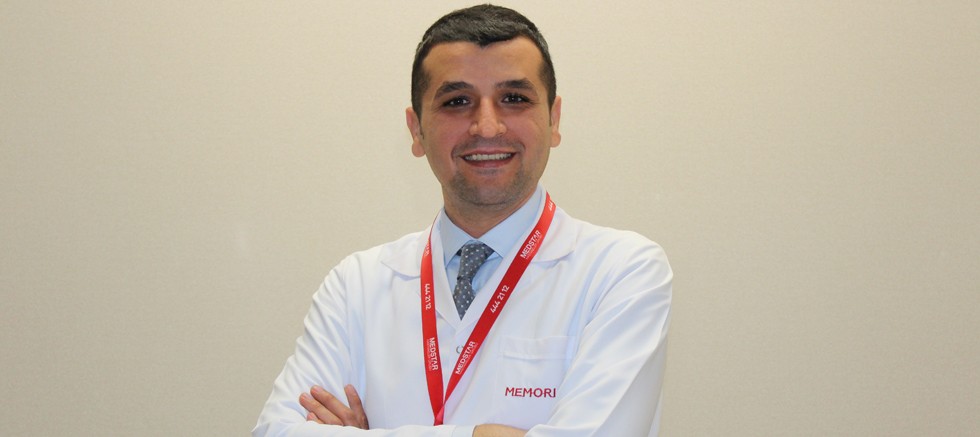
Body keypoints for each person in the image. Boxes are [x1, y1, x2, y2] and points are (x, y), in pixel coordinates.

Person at [253, 5, 672, 436]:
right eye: (457, 102)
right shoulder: (355, 285)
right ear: (416, 130)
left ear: (554, 119)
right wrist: (480, 434)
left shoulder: (622, 272)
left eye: (514, 98)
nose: (487, 127)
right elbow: (275, 431)